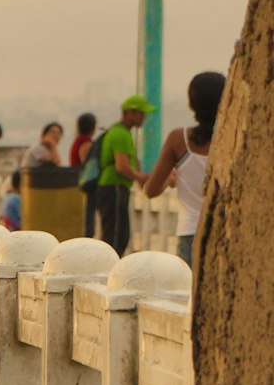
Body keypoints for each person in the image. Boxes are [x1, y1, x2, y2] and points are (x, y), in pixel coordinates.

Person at [144, 70, 225, 267]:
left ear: (191, 103)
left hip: (190, 233)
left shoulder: (178, 140)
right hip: (224, 234)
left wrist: (169, 182)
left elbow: (150, 190)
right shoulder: (231, 139)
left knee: (189, 294)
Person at [94, 95, 153, 256]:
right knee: (116, 236)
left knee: (116, 234)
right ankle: (110, 270)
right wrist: (141, 177)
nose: (144, 117)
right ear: (130, 113)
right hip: (114, 187)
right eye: (142, 113)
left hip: (113, 187)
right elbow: (122, 166)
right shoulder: (120, 134)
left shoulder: (120, 132)